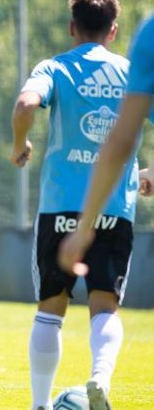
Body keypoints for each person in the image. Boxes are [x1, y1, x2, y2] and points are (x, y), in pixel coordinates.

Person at [10, 0, 149, 410]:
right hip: (114, 207)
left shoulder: (54, 66)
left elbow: (26, 105)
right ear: (113, 30)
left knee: (50, 311)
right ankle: (100, 382)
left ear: (73, 27)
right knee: (104, 307)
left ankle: (40, 409)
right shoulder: (133, 71)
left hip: (60, 206)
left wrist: (19, 145)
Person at [59, 14, 154, 274]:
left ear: (72, 28)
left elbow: (121, 142)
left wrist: (85, 225)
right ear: (112, 30)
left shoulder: (150, 34)